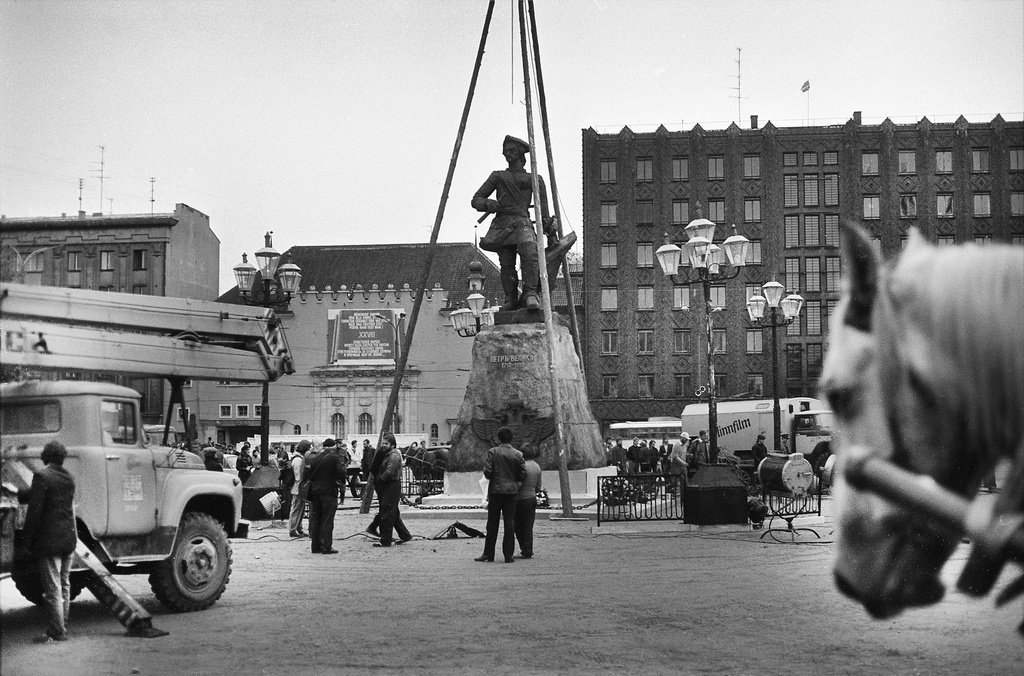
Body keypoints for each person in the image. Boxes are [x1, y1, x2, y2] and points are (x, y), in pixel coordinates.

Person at [471, 135, 558, 311]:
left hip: (522, 222)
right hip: (502, 224)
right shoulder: (498, 177)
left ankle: (530, 293)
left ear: (519, 153)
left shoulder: (535, 179)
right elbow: (476, 199)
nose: (507, 154)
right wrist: (488, 203)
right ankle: (510, 298)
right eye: (505, 151)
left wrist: (550, 231)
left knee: (529, 252)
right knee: (506, 262)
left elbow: (544, 212)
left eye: (511, 151)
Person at [20, 441, 77, 643]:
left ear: (46, 456)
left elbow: (34, 512)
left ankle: (56, 632)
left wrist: (26, 544)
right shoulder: (68, 477)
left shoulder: (42, 476)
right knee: (64, 585)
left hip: (50, 542)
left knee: (53, 589)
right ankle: (63, 626)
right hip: (69, 540)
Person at [475, 426, 526, 564]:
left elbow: (488, 472)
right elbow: (523, 473)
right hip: (511, 492)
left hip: (496, 491)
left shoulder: (493, 452)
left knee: (492, 523)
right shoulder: (518, 454)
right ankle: (508, 555)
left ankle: (488, 553)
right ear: (511, 438)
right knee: (509, 523)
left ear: (498, 438)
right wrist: (516, 484)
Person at [302, 438, 347, 554]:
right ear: (333, 447)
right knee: (327, 519)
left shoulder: (316, 458)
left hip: (315, 492)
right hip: (328, 491)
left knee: (316, 519)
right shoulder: (334, 458)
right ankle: (327, 546)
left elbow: (308, 474)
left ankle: (315, 546)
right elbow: (341, 472)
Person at [372, 433, 412, 548]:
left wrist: (380, 479)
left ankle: (385, 540)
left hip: (391, 485)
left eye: (386, 444)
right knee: (393, 512)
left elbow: (389, 471)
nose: (384, 446)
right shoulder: (388, 453)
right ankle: (405, 535)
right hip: (390, 484)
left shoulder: (393, 455)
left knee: (387, 513)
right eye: (383, 443)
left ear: (392, 444)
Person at [513, 443, 542, 560]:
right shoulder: (537, 467)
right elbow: (538, 486)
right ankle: (528, 550)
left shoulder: (521, 466)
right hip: (531, 498)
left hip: (520, 498)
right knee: (528, 526)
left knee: (517, 526)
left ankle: (524, 548)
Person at [288, 440, 311, 538]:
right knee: (296, 508)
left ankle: (298, 528)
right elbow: (298, 477)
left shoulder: (297, 458)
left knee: (300, 509)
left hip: (297, 487)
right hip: (297, 487)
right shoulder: (298, 460)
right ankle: (293, 529)